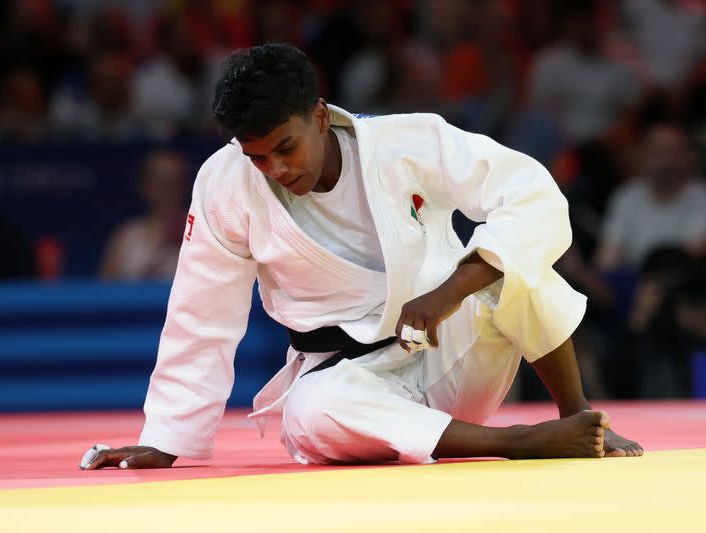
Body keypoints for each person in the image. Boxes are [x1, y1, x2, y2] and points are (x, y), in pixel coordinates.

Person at [81, 43, 641, 471]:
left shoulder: (407, 142)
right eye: (258, 157)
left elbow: (533, 192)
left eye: (285, 147)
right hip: (360, 388)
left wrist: (450, 290)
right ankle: (519, 442)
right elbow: (200, 312)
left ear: (320, 116)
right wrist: (165, 440)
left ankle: (577, 418)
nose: (276, 169)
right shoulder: (224, 185)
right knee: (308, 411)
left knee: (509, 258)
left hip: (454, 351)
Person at [596, 122, 706, 271]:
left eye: (672, 152)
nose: (665, 161)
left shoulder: (702, 199)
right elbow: (607, 259)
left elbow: (691, 258)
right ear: (643, 156)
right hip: (632, 282)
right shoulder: (626, 196)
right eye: (658, 152)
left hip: (684, 284)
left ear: (687, 157)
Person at [98, 150, 189, 281]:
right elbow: (104, 288)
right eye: (161, 183)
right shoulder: (127, 234)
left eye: (176, 182)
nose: (169, 190)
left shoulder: (201, 231)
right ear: (146, 186)